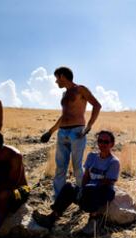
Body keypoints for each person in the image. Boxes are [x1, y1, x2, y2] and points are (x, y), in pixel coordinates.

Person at [34, 130, 119, 235]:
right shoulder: (92, 156)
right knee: (69, 187)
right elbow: (86, 175)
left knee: (91, 188)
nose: (102, 144)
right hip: (88, 189)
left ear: (112, 144)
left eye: (106, 142)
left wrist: (88, 188)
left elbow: (108, 181)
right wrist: (82, 190)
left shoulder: (114, 162)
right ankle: (52, 218)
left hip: (103, 192)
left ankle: (93, 222)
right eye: (100, 141)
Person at [40, 67, 101, 197]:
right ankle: (58, 198)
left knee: (77, 166)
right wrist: (50, 132)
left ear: (62, 76)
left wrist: (89, 126)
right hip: (62, 133)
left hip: (77, 131)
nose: (56, 82)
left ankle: (83, 196)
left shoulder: (80, 89)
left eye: (57, 78)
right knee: (60, 168)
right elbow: (64, 116)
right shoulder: (64, 94)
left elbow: (97, 105)